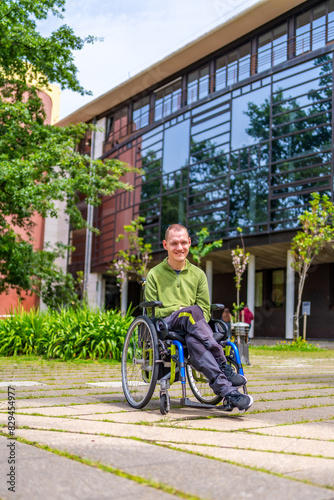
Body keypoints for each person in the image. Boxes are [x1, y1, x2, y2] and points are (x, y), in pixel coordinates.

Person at [145, 223, 253, 411]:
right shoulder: (154, 274)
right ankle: (222, 362)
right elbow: (151, 312)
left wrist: (188, 311)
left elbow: (204, 310)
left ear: (189, 242)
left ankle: (229, 392)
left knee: (194, 340)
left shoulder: (198, 275)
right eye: (174, 243)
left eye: (183, 243)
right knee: (191, 311)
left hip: (194, 328)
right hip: (167, 325)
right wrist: (178, 309)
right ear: (165, 245)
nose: (179, 248)